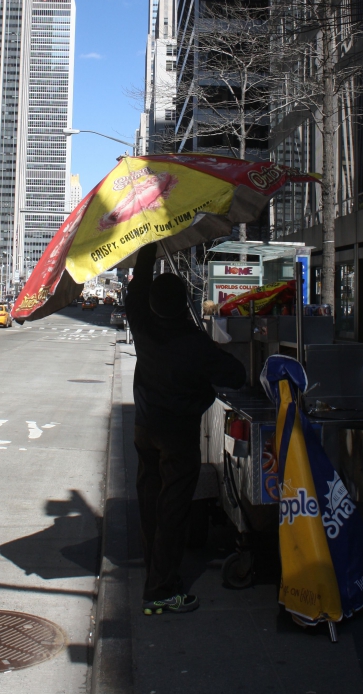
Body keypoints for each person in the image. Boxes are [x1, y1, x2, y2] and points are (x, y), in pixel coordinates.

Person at [125, 241, 247, 616]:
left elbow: (137, 285)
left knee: (150, 504)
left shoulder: (142, 326)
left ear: (152, 304)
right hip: (178, 436)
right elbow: (236, 375)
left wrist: (148, 244)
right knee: (173, 510)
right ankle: (161, 590)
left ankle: (155, 575)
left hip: (145, 428)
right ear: (184, 306)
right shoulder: (194, 343)